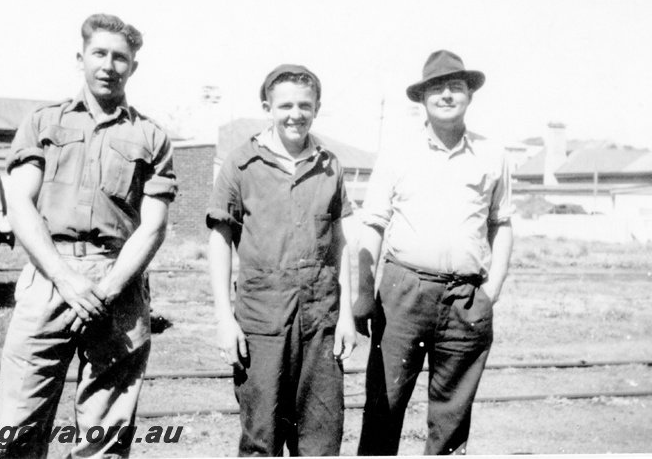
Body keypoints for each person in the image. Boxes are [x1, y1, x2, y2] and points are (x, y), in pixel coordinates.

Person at [0, 14, 177, 458]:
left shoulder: (151, 136)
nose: (109, 65)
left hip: (119, 282)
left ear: (134, 67)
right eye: (100, 54)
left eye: (121, 58)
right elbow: (21, 205)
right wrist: (65, 279)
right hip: (49, 276)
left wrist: (107, 290)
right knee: (17, 427)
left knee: (104, 437)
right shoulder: (43, 123)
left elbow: (154, 225)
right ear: (81, 58)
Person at [355, 50, 514, 455]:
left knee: (451, 418)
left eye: (456, 87)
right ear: (423, 99)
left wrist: (490, 291)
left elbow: (502, 223)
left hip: (466, 297)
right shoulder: (397, 151)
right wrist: (363, 292)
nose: (447, 95)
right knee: (383, 408)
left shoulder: (493, 154)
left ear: (470, 96)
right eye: (437, 88)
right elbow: (373, 223)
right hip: (402, 294)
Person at [207, 64, 357, 456]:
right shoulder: (241, 164)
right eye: (285, 105)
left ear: (317, 108)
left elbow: (340, 243)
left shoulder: (331, 166)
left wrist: (346, 316)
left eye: (305, 105)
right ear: (267, 107)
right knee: (262, 438)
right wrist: (224, 320)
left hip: (321, 322)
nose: (296, 114)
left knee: (321, 439)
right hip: (262, 322)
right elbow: (220, 242)